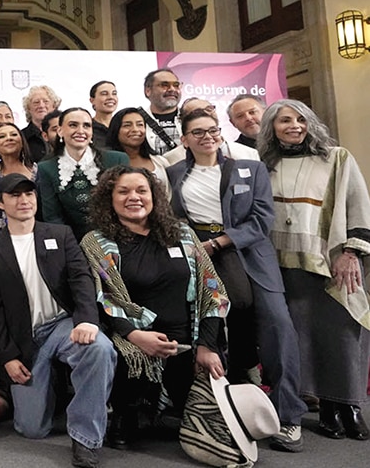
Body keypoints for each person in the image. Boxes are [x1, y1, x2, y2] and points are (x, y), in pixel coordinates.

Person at [167, 108, 306, 452]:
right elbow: (174, 217)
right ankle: (219, 410)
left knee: (278, 325)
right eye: (198, 132)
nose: (207, 137)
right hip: (199, 254)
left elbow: (262, 219)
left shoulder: (251, 168)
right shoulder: (174, 174)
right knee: (208, 327)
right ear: (184, 140)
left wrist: (220, 242)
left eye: (213, 130)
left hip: (249, 253)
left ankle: (289, 415)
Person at [80, 166, 228, 449]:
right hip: (133, 339)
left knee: (208, 427)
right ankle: (127, 411)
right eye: (123, 191)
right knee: (128, 360)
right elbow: (102, 299)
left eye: (141, 190)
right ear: (109, 198)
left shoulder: (183, 234)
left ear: (154, 196)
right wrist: (135, 336)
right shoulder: (97, 242)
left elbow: (213, 291)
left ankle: (168, 405)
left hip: (188, 341)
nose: (133, 197)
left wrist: (207, 346)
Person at [0, 173, 116, 468]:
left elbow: (81, 279)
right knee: (32, 429)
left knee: (99, 349)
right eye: (15, 195)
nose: (24, 200)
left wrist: (87, 320)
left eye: (29, 193)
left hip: (62, 325)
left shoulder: (60, 234)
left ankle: (86, 438)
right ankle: (56, 385)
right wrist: (8, 357)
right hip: (26, 338)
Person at [258, 99, 370, 441]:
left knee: (343, 335)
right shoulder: (264, 164)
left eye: (301, 119)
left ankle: (349, 406)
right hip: (284, 267)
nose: (294, 125)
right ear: (271, 128)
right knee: (304, 339)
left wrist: (350, 252)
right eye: (285, 120)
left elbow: (358, 204)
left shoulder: (336, 158)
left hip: (331, 262)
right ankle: (325, 408)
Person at [37, 108, 129, 241]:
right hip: (71, 243)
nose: (80, 131)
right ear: (60, 131)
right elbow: (53, 217)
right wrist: (70, 247)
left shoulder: (118, 159)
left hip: (118, 238)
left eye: (86, 126)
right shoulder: (45, 168)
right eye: (73, 125)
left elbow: (126, 206)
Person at [163, 98, 259, 165]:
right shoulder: (171, 159)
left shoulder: (249, 153)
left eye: (209, 109)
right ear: (183, 120)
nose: (206, 114)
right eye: (197, 112)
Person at [105, 107, 171, 190]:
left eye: (140, 125)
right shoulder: (106, 162)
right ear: (116, 130)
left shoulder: (160, 161)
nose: (135, 129)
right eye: (127, 125)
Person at [140, 68, 182, 155]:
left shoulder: (192, 118)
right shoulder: (137, 121)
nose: (172, 89)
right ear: (148, 91)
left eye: (176, 85)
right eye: (164, 85)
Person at [20, 85, 62, 163]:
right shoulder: (21, 137)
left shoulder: (65, 132)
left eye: (46, 101)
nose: (41, 105)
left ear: (54, 106)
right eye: (36, 102)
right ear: (28, 108)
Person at [88, 81, 118, 150]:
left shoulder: (122, 126)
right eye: (104, 94)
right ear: (92, 100)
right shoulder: (87, 127)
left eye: (114, 94)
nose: (111, 97)